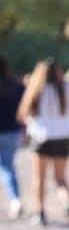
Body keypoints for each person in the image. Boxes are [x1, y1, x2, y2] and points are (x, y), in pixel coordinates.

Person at [18, 59, 69, 227]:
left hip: (41, 137)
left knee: (39, 178)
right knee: (60, 178)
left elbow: (23, 113)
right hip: (63, 137)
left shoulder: (36, 89)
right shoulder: (68, 89)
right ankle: (67, 203)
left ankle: (40, 212)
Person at [0, 57, 25, 219]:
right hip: (13, 131)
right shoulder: (17, 85)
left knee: (6, 167)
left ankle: (16, 200)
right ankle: (16, 199)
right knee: (8, 167)